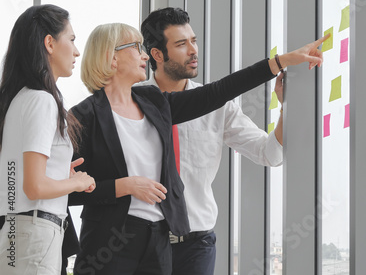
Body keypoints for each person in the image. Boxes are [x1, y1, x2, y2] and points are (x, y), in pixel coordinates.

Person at [69, 22, 327, 275]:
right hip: (110, 243)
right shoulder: (82, 116)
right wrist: (123, 186)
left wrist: (280, 62)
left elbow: (219, 92)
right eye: (136, 47)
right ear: (111, 58)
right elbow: (65, 190)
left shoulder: (154, 103)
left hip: (162, 239)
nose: (144, 54)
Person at [140, 7, 284, 275]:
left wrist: (286, 108)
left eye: (193, 40)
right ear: (157, 54)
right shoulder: (130, 102)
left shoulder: (219, 107)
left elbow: (270, 154)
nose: (194, 50)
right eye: (182, 44)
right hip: (143, 242)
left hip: (197, 244)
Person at [0, 4, 96, 275]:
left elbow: (18, 178)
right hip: (35, 234)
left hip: (19, 231)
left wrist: (59, 170)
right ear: (50, 43)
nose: (77, 51)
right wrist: (76, 181)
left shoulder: (18, 99)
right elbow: (34, 187)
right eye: (73, 40)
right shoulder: (42, 101)